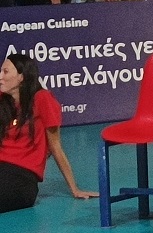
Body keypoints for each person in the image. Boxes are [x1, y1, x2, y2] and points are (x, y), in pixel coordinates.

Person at [0, 54, 97, 213]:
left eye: (5, 72)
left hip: (23, 177)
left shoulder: (42, 99)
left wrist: (75, 189)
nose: (0, 77)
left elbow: (56, 147)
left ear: (21, 77)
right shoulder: (3, 100)